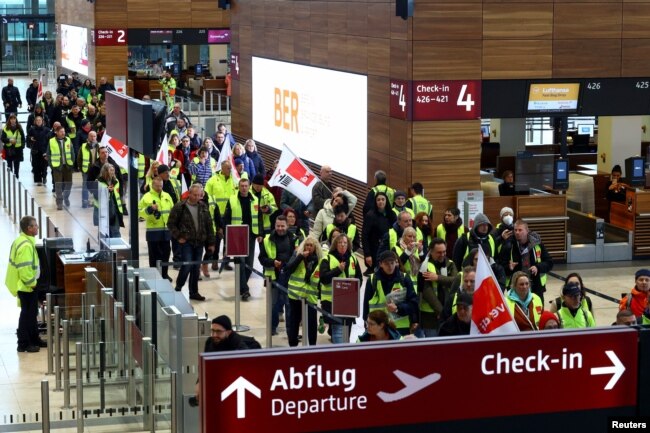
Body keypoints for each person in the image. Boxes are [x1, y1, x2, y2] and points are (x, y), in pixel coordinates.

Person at [167, 184, 215, 301]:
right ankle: (178, 288)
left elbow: (209, 225)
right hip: (186, 242)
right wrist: (178, 236)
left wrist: (211, 242)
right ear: (189, 194)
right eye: (195, 195)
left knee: (195, 267)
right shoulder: (180, 207)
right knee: (187, 265)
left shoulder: (203, 206)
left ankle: (194, 292)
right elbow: (171, 224)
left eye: (200, 195)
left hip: (200, 242)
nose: (197, 197)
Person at [6, 216, 47, 353]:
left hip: (27, 285)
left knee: (32, 313)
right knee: (27, 315)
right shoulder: (25, 246)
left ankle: (34, 339)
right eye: (35, 225)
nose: (37, 227)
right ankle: (23, 343)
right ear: (29, 229)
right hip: (26, 286)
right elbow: (24, 269)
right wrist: (33, 284)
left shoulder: (24, 241)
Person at [223, 177, 262, 300]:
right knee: (241, 262)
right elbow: (226, 219)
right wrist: (227, 236)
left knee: (249, 264)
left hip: (250, 235)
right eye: (242, 186)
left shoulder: (255, 200)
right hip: (237, 235)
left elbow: (259, 218)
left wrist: (260, 233)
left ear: (249, 186)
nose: (244, 188)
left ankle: (242, 285)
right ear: (239, 187)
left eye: (246, 186)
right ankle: (245, 290)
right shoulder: (232, 199)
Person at [363, 250, 418, 336]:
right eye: (386, 263)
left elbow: (414, 303)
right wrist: (366, 324)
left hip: (400, 328)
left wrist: (398, 308)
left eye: (392, 263)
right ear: (381, 264)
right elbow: (366, 304)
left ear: (396, 262)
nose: (390, 266)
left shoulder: (404, 278)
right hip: (378, 327)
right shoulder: (372, 280)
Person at [319, 233, 362, 343]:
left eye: (345, 243)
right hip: (332, 303)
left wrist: (352, 291)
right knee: (338, 334)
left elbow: (359, 278)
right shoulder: (327, 259)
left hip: (348, 303)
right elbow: (323, 279)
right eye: (340, 242)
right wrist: (338, 270)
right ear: (335, 245)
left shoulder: (353, 259)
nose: (343, 245)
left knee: (346, 334)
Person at [498, 219, 553, 304]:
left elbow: (549, 262)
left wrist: (538, 267)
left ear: (527, 231)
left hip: (535, 286)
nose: (517, 232)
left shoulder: (537, 244)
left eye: (520, 230)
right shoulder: (508, 245)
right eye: (515, 230)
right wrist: (509, 267)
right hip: (515, 288)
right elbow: (500, 266)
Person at [258, 216, 296, 335]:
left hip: (290, 276)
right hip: (274, 277)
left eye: (282, 226)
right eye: (277, 226)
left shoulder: (293, 238)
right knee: (274, 304)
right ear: (274, 226)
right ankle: (272, 328)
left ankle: (291, 330)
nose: (280, 228)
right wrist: (272, 263)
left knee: (290, 304)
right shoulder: (266, 240)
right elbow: (261, 258)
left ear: (287, 226)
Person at [285, 237, 322, 346]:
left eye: (311, 245)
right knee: (294, 322)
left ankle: (312, 347)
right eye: (307, 245)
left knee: (312, 324)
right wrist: (300, 257)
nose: (309, 247)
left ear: (315, 247)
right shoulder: (297, 255)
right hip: (296, 295)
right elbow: (289, 268)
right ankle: (293, 346)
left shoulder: (319, 260)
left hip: (311, 296)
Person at [419, 238, 458, 336]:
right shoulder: (424, 267)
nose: (442, 255)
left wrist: (437, 278)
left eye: (444, 252)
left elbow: (456, 281)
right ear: (431, 251)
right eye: (439, 252)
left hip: (447, 316)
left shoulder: (450, 264)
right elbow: (427, 293)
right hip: (430, 318)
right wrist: (441, 312)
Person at [139, 176, 174, 281]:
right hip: (153, 232)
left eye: (161, 186)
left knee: (166, 253)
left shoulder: (167, 196)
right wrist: (150, 209)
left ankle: (164, 274)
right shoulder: (146, 197)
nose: (159, 188)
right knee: (154, 256)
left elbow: (172, 211)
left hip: (166, 231)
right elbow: (140, 213)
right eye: (157, 186)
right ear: (152, 185)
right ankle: (154, 275)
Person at [205, 160, 238, 270]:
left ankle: (226, 261)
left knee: (228, 240)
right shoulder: (212, 180)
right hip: (217, 215)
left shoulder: (234, 181)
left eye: (230, 168)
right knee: (217, 239)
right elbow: (206, 196)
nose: (230, 170)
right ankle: (214, 261)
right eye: (228, 168)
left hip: (230, 215)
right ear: (222, 168)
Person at [362, 192, 397, 276]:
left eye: (383, 199)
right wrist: (367, 254)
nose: (381, 202)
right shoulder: (370, 215)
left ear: (386, 201)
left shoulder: (391, 214)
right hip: (375, 250)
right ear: (375, 202)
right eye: (378, 200)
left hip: (389, 248)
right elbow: (365, 235)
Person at [47, 125, 74, 210]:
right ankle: (59, 202)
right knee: (58, 185)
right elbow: (49, 154)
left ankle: (66, 197)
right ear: (56, 132)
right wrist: (51, 165)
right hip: (57, 166)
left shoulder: (68, 140)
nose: (63, 133)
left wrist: (72, 163)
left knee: (69, 183)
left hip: (68, 165)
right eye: (61, 131)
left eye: (64, 131)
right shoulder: (51, 141)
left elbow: (72, 152)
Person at [94, 163, 124, 237]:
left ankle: (116, 247)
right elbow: (96, 196)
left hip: (115, 209)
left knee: (115, 231)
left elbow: (118, 195)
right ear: (105, 171)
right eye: (111, 170)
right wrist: (106, 190)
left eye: (113, 170)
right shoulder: (98, 182)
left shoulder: (116, 181)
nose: (113, 172)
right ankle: (103, 247)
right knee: (103, 232)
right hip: (103, 210)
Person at [77, 130, 98, 208]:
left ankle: (96, 202)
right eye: (91, 136)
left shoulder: (99, 146)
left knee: (97, 186)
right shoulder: (83, 146)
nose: (93, 138)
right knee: (85, 186)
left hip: (96, 171)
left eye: (94, 136)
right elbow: (79, 159)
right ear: (88, 137)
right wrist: (81, 169)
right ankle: (85, 202)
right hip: (86, 170)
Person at [28, 115, 50, 186]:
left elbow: (49, 140)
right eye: (37, 120)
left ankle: (44, 177)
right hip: (35, 150)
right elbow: (28, 138)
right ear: (35, 122)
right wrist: (30, 139)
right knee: (36, 165)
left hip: (44, 150)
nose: (38, 122)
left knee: (44, 165)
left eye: (40, 120)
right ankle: (38, 180)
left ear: (42, 121)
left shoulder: (46, 130)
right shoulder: (32, 129)